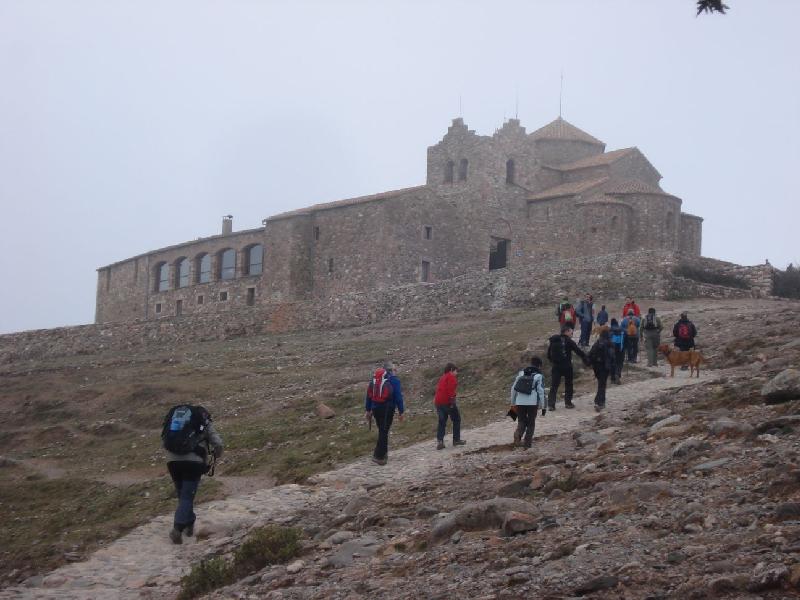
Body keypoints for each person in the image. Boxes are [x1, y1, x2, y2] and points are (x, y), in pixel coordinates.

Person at [163, 405, 223, 544]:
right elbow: (218, 443)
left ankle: (189, 523)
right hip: (193, 463)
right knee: (187, 496)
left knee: (183, 494)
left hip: (172, 462)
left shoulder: (176, 422)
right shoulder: (204, 422)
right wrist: (217, 454)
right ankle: (177, 528)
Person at [365, 361, 405, 465]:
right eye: (395, 369)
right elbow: (398, 397)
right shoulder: (394, 380)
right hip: (387, 409)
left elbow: (368, 396)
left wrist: (368, 409)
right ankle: (378, 456)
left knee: (382, 430)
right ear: (391, 370)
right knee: (384, 431)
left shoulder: (375, 380)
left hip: (375, 408)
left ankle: (383, 454)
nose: (396, 371)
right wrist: (401, 411)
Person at [546, 324, 588, 410]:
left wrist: (553, 362)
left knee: (554, 385)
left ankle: (551, 405)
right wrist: (586, 358)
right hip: (567, 366)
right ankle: (568, 403)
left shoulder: (554, 340)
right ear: (567, 331)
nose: (572, 333)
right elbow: (578, 351)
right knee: (569, 384)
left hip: (556, 366)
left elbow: (548, 355)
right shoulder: (569, 341)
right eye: (571, 331)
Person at [510, 356, 547, 448]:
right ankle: (527, 444)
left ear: (531, 363)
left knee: (521, 421)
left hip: (520, 402)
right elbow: (541, 392)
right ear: (539, 366)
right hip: (532, 403)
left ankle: (518, 434)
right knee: (531, 423)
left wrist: (513, 403)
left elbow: (513, 389)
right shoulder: (539, 376)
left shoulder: (521, 373)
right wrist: (543, 407)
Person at [434, 363, 465, 450]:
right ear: (451, 370)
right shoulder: (451, 377)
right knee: (456, 419)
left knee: (442, 421)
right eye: (456, 371)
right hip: (447, 401)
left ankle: (440, 441)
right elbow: (450, 390)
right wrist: (452, 402)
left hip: (438, 402)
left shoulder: (442, 377)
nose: (457, 373)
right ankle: (456, 440)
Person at [588, 328, 616, 410]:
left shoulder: (597, 343)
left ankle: (599, 401)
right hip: (605, 367)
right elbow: (612, 357)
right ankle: (599, 402)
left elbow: (590, 354)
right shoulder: (610, 344)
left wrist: (589, 363)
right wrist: (613, 372)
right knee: (602, 385)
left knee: (601, 383)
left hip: (596, 367)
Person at [609, 318, 625, 384]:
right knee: (620, 362)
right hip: (621, 348)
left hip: (612, 349)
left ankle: (612, 378)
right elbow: (626, 339)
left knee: (612, 362)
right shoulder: (622, 330)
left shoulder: (609, 330)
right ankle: (618, 374)